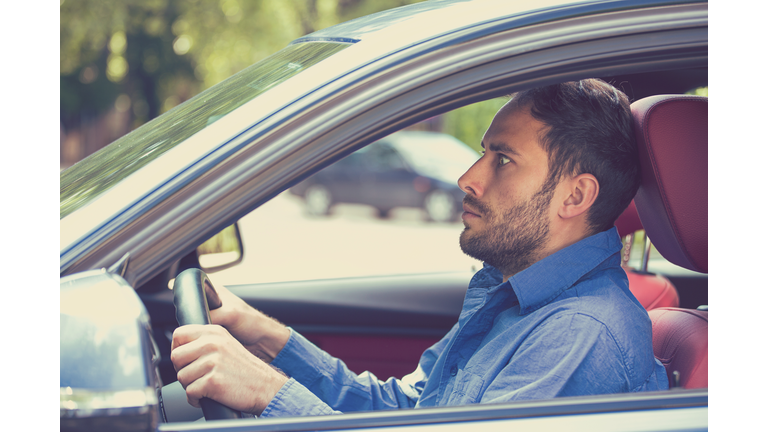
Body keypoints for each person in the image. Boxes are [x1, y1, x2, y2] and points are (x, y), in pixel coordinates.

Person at [169, 79, 669, 418]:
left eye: (503, 160)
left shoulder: (581, 336)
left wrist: (264, 390)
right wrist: (266, 337)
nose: (467, 179)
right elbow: (408, 411)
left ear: (575, 196)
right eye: (482, 154)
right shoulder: (511, 292)